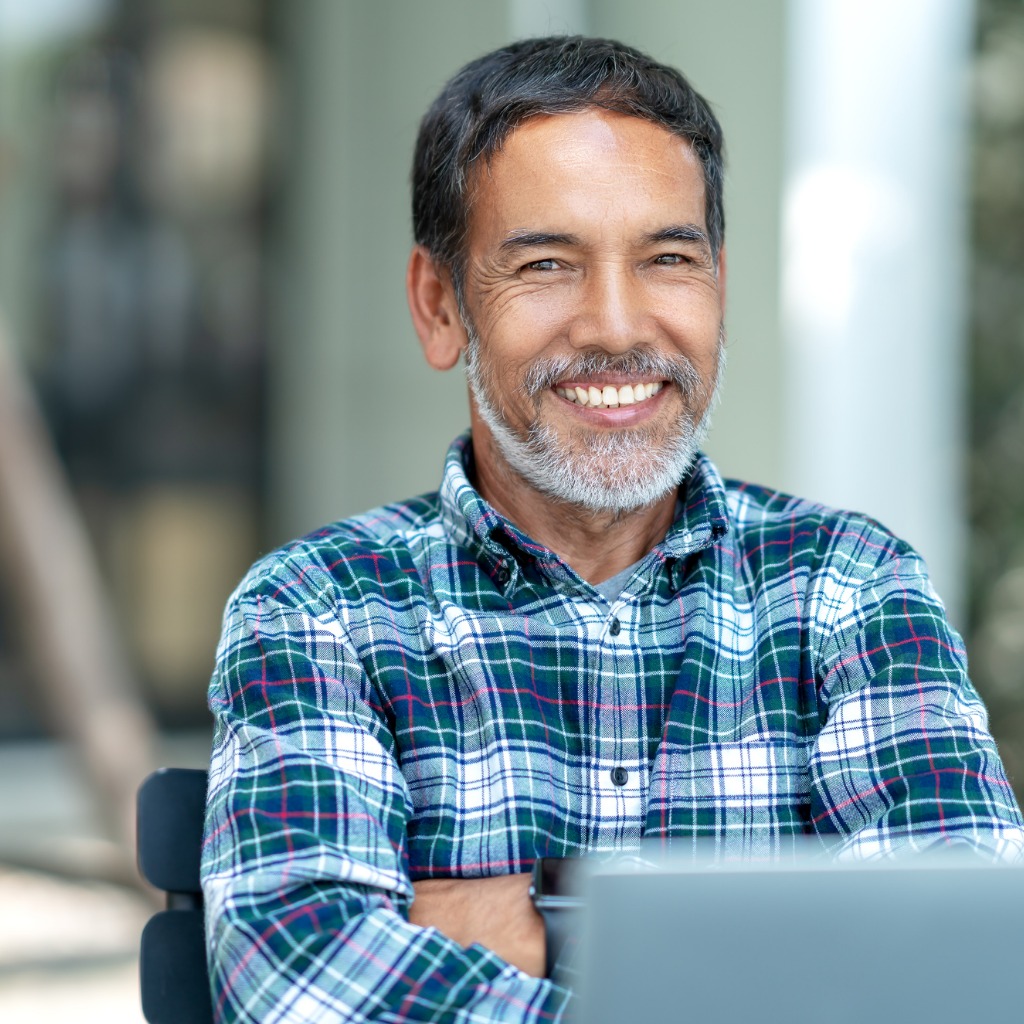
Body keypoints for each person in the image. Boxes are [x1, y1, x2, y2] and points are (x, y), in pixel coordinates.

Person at [201, 35, 1024, 1023]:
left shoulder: (851, 585)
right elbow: (300, 975)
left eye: (666, 258)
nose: (616, 325)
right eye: (547, 263)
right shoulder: (321, 609)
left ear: (717, 285)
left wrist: (542, 916)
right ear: (439, 305)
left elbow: (955, 963)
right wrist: (777, 957)